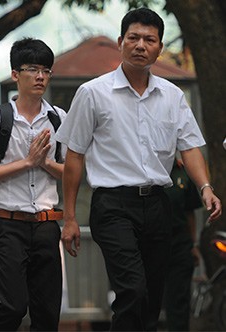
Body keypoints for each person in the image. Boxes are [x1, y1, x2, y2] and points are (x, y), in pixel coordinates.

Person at [55, 7, 222, 331]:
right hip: (113, 206)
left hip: (159, 205)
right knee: (132, 288)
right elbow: (74, 156)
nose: (140, 45)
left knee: (151, 298)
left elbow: (189, 147)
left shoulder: (172, 96)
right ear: (121, 42)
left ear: (159, 47)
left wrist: (205, 188)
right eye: (133, 38)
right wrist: (70, 217)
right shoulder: (93, 93)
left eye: (149, 39)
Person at [0, 37, 66, 331]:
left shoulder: (58, 118)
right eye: (33, 69)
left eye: (46, 71)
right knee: (13, 305)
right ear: (15, 74)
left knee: (48, 311)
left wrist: (45, 163)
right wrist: (26, 162)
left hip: (47, 223)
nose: (40, 77)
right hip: (7, 222)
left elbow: (73, 172)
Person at [163, 158, 203, 331]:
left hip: (179, 242)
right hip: (149, 241)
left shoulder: (182, 172)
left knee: (178, 300)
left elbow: (190, 212)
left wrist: (192, 244)